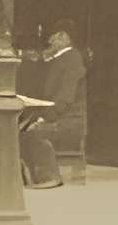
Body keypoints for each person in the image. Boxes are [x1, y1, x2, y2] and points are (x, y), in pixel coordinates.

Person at [23, 25, 87, 189]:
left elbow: (65, 97)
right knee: (21, 132)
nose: (49, 40)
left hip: (70, 120)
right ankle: (33, 176)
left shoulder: (72, 59)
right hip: (59, 116)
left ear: (65, 38)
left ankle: (49, 177)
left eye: (54, 37)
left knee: (35, 133)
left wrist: (46, 117)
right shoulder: (59, 59)